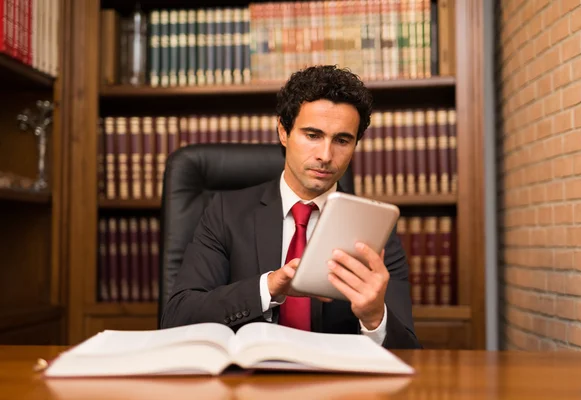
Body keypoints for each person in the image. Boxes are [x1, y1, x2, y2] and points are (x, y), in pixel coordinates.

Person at [161, 65, 421, 349]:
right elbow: (177, 318)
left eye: (342, 140)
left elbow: (409, 351)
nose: (325, 155)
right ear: (283, 132)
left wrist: (374, 318)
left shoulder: (374, 228)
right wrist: (269, 287)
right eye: (313, 135)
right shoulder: (225, 212)